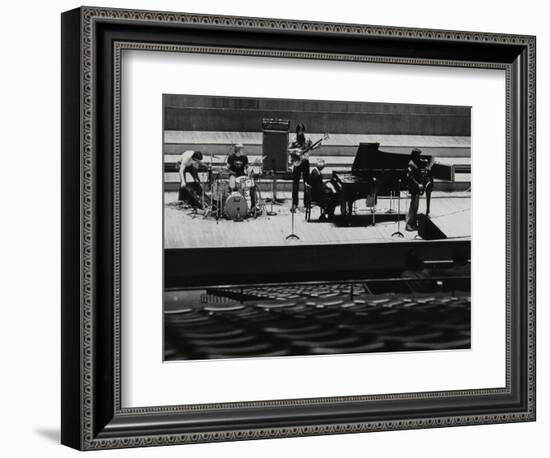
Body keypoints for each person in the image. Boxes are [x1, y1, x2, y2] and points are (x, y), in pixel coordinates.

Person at [289, 124, 317, 210]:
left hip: (305, 161)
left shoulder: (308, 138)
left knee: (307, 183)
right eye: (299, 131)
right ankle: (294, 203)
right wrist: (296, 150)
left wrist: (317, 146)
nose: (300, 132)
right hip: (297, 162)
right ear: (297, 131)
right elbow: (288, 149)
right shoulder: (293, 139)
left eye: (302, 131)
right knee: (295, 184)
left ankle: (307, 202)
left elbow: (312, 147)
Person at [226, 143, 257, 210]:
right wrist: (232, 172)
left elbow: (246, 168)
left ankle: (250, 208)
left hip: (242, 177)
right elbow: (227, 169)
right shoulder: (231, 157)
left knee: (248, 191)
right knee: (232, 187)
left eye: (240, 149)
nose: (240, 150)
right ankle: (232, 207)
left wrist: (250, 172)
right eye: (238, 148)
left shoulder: (244, 158)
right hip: (233, 177)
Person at [405, 148, 424, 231]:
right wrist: (418, 184)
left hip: (416, 188)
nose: (419, 157)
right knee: (413, 207)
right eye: (418, 155)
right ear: (415, 155)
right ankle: (408, 225)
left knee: (415, 207)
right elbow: (410, 177)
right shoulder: (411, 164)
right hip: (414, 188)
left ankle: (413, 223)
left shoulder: (415, 163)